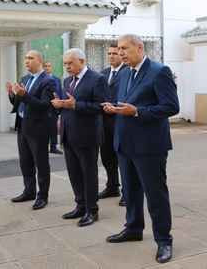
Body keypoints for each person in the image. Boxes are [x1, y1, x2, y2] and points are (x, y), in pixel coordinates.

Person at [103, 34, 179, 264]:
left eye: (125, 48)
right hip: (125, 144)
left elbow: (171, 106)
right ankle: (133, 228)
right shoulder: (125, 72)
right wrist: (115, 109)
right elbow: (126, 103)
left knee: (155, 194)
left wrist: (137, 112)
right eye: (119, 49)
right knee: (130, 192)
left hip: (149, 146)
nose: (121, 53)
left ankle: (164, 240)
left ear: (139, 47)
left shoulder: (159, 71)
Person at [51, 48, 108, 227]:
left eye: (70, 63)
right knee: (74, 173)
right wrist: (59, 105)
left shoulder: (97, 79)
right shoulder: (67, 80)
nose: (67, 67)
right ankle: (80, 205)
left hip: (87, 135)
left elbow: (102, 107)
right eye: (65, 63)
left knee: (88, 174)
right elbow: (67, 105)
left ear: (82, 61)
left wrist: (76, 105)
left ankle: (92, 210)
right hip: (68, 134)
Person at [8, 50, 56, 210]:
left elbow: (44, 105)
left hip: (39, 128)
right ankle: (29, 191)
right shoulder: (25, 79)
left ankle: (42, 196)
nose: (27, 61)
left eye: (30, 58)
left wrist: (25, 95)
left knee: (41, 163)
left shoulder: (48, 81)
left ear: (40, 61)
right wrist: (12, 94)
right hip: (23, 125)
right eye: (26, 58)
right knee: (25, 162)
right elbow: (19, 101)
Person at [99, 44, 127, 206]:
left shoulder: (127, 72)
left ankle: (127, 192)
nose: (111, 56)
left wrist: (115, 107)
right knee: (107, 156)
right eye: (109, 53)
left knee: (122, 157)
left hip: (120, 120)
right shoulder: (103, 73)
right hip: (104, 122)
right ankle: (112, 186)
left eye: (115, 53)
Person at [43, 61, 63, 155]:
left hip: (54, 108)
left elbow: (59, 92)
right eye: (45, 66)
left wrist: (60, 106)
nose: (47, 68)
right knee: (44, 129)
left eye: (49, 66)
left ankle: (53, 147)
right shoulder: (41, 79)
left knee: (53, 129)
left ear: (51, 67)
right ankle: (43, 146)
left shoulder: (57, 79)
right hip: (44, 108)